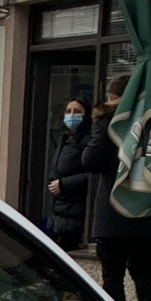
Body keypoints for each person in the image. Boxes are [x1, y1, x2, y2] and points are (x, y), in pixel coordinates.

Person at [84, 84, 151, 301]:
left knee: (112, 274)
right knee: (143, 269)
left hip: (113, 212)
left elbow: (90, 161)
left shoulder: (107, 121)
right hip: (147, 210)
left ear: (113, 96)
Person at [40, 97, 94, 247]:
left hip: (75, 215)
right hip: (60, 213)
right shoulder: (66, 139)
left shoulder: (88, 140)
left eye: (77, 112)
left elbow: (93, 175)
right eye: (68, 111)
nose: (71, 115)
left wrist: (64, 184)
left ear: (86, 115)